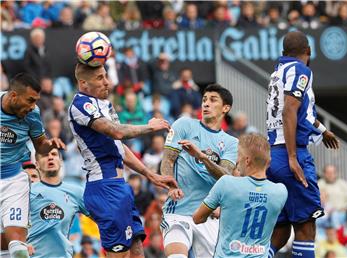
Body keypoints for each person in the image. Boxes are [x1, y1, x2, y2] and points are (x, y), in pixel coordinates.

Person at [68, 63, 178, 258]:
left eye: (106, 76)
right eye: (100, 78)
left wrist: (150, 175)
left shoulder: (105, 105)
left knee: (137, 250)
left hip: (120, 187)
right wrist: (149, 127)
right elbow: (117, 132)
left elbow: (119, 147)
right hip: (105, 188)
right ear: (84, 83)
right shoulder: (80, 105)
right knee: (119, 255)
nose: (107, 82)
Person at [266, 31, 339, 258]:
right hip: (291, 154)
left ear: (283, 53)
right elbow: (290, 110)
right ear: (308, 51)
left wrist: (323, 130)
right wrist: (292, 157)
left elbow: (301, 113)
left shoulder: (277, 73)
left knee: (280, 231)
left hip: (273, 155)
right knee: (306, 228)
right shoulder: (301, 70)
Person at [160, 84, 238, 258]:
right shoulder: (184, 124)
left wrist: (201, 156)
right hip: (178, 211)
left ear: (226, 108)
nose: (206, 104)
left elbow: (226, 176)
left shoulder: (231, 142)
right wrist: (171, 185)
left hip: (208, 216)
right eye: (204, 100)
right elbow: (167, 160)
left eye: (212, 100)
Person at [0, 73, 65, 258]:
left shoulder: (33, 114)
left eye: (35, 101)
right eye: (29, 100)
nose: (32, 106)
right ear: (13, 96)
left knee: (18, 248)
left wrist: (50, 144)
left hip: (14, 181)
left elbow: (40, 146)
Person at [193, 133, 288, 257]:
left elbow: (197, 218)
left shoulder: (226, 183)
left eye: (238, 155)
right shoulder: (281, 191)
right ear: (268, 162)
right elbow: (253, 205)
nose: (237, 161)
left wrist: (221, 210)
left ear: (247, 160)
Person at [27, 148, 90, 258]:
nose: (50, 157)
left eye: (54, 154)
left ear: (60, 161)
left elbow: (101, 219)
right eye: (45, 155)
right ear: (37, 164)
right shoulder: (27, 192)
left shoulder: (76, 192)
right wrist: (20, 243)